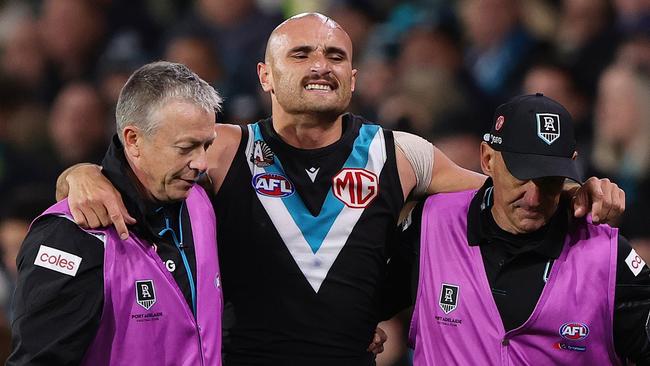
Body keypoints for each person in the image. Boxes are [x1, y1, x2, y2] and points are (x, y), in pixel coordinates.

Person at [57, 14, 625, 365]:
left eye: (335, 56)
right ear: (265, 76)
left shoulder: (401, 155)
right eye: (300, 54)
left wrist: (578, 193)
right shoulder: (223, 148)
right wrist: (77, 175)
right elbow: (140, 165)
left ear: (354, 77)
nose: (320, 65)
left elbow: (508, 189)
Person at [400, 94, 648, 364]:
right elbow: (362, 295)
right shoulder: (432, 224)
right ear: (487, 159)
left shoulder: (607, 255)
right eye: (521, 175)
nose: (533, 198)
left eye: (550, 180)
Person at [8, 61, 224, 365]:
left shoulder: (201, 201)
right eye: (186, 147)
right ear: (133, 140)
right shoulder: (71, 236)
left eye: (207, 145)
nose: (201, 163)